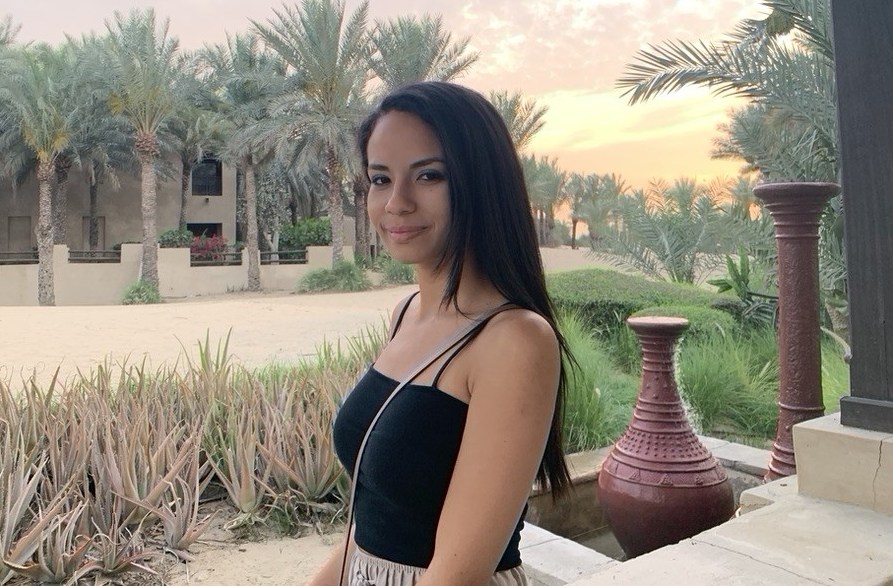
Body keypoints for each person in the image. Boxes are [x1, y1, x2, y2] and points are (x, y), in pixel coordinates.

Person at [309, 81, 573, 586]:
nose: (397, 203)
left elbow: (456, 576)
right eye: (380, 179)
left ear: (480, 182)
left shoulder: (514, 341)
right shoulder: (406, 313)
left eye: (428, 175)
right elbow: (374, 523)